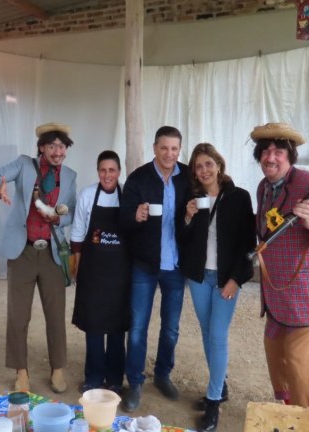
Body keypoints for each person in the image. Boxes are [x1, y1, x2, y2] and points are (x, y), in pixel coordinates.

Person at [250, 122, 309, 408]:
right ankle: (288, 409)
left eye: (278, 151)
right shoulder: (263, 187)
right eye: (265, 151)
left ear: (290, 155)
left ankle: (304, 420)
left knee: (297, 358)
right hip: (279, 292)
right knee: (274, 350)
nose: (270, 157)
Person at [0, 122, 76, 394]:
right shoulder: (24, 165)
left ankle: (58, 368)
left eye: (62, 146)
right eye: (52, 146)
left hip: (52, 252)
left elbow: (71, 212)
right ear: (41, 148)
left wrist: (58, 217)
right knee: (18, 315)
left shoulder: (69, 175)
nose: (57, 151)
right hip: (21, 250)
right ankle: (20, 371)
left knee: (55, 314)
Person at [179, 143, 256, 432]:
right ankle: (219, 385)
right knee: (207, 331)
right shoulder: (193, 197)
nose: (204, 170)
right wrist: (187, 217)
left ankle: (213, 401)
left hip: (226, 278)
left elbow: (249, 244)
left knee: (218, 335)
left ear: (219, 165)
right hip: (199, 276)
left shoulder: (238, 197)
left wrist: (236, 279)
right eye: (198, 167)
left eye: (208, 164)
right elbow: (182, 237)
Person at [119, 125, 191, 412]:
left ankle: (162, 374)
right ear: (154, 148)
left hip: (175, 265)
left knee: (171, 329)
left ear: (179, 150)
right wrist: (135, 215)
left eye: (174, 149)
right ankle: (134, 381)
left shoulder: (187, 177)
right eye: (164, 148)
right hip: (145, 265)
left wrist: (189, 216)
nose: (169, 154)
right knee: (137, 327)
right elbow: (122, 221)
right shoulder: (138, 178)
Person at [70, 150, 130, 393]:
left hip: (121, 274)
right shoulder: (87, 195)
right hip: (93, 272)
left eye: (112, 170)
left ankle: (115, 378)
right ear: (98, 172)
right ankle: (94, 377)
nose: (107, 175)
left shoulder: (128, 196)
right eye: (103, 170)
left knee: (117, 326)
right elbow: (77, 234)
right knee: (94, 326)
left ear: (119, 172)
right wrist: (77, 267)